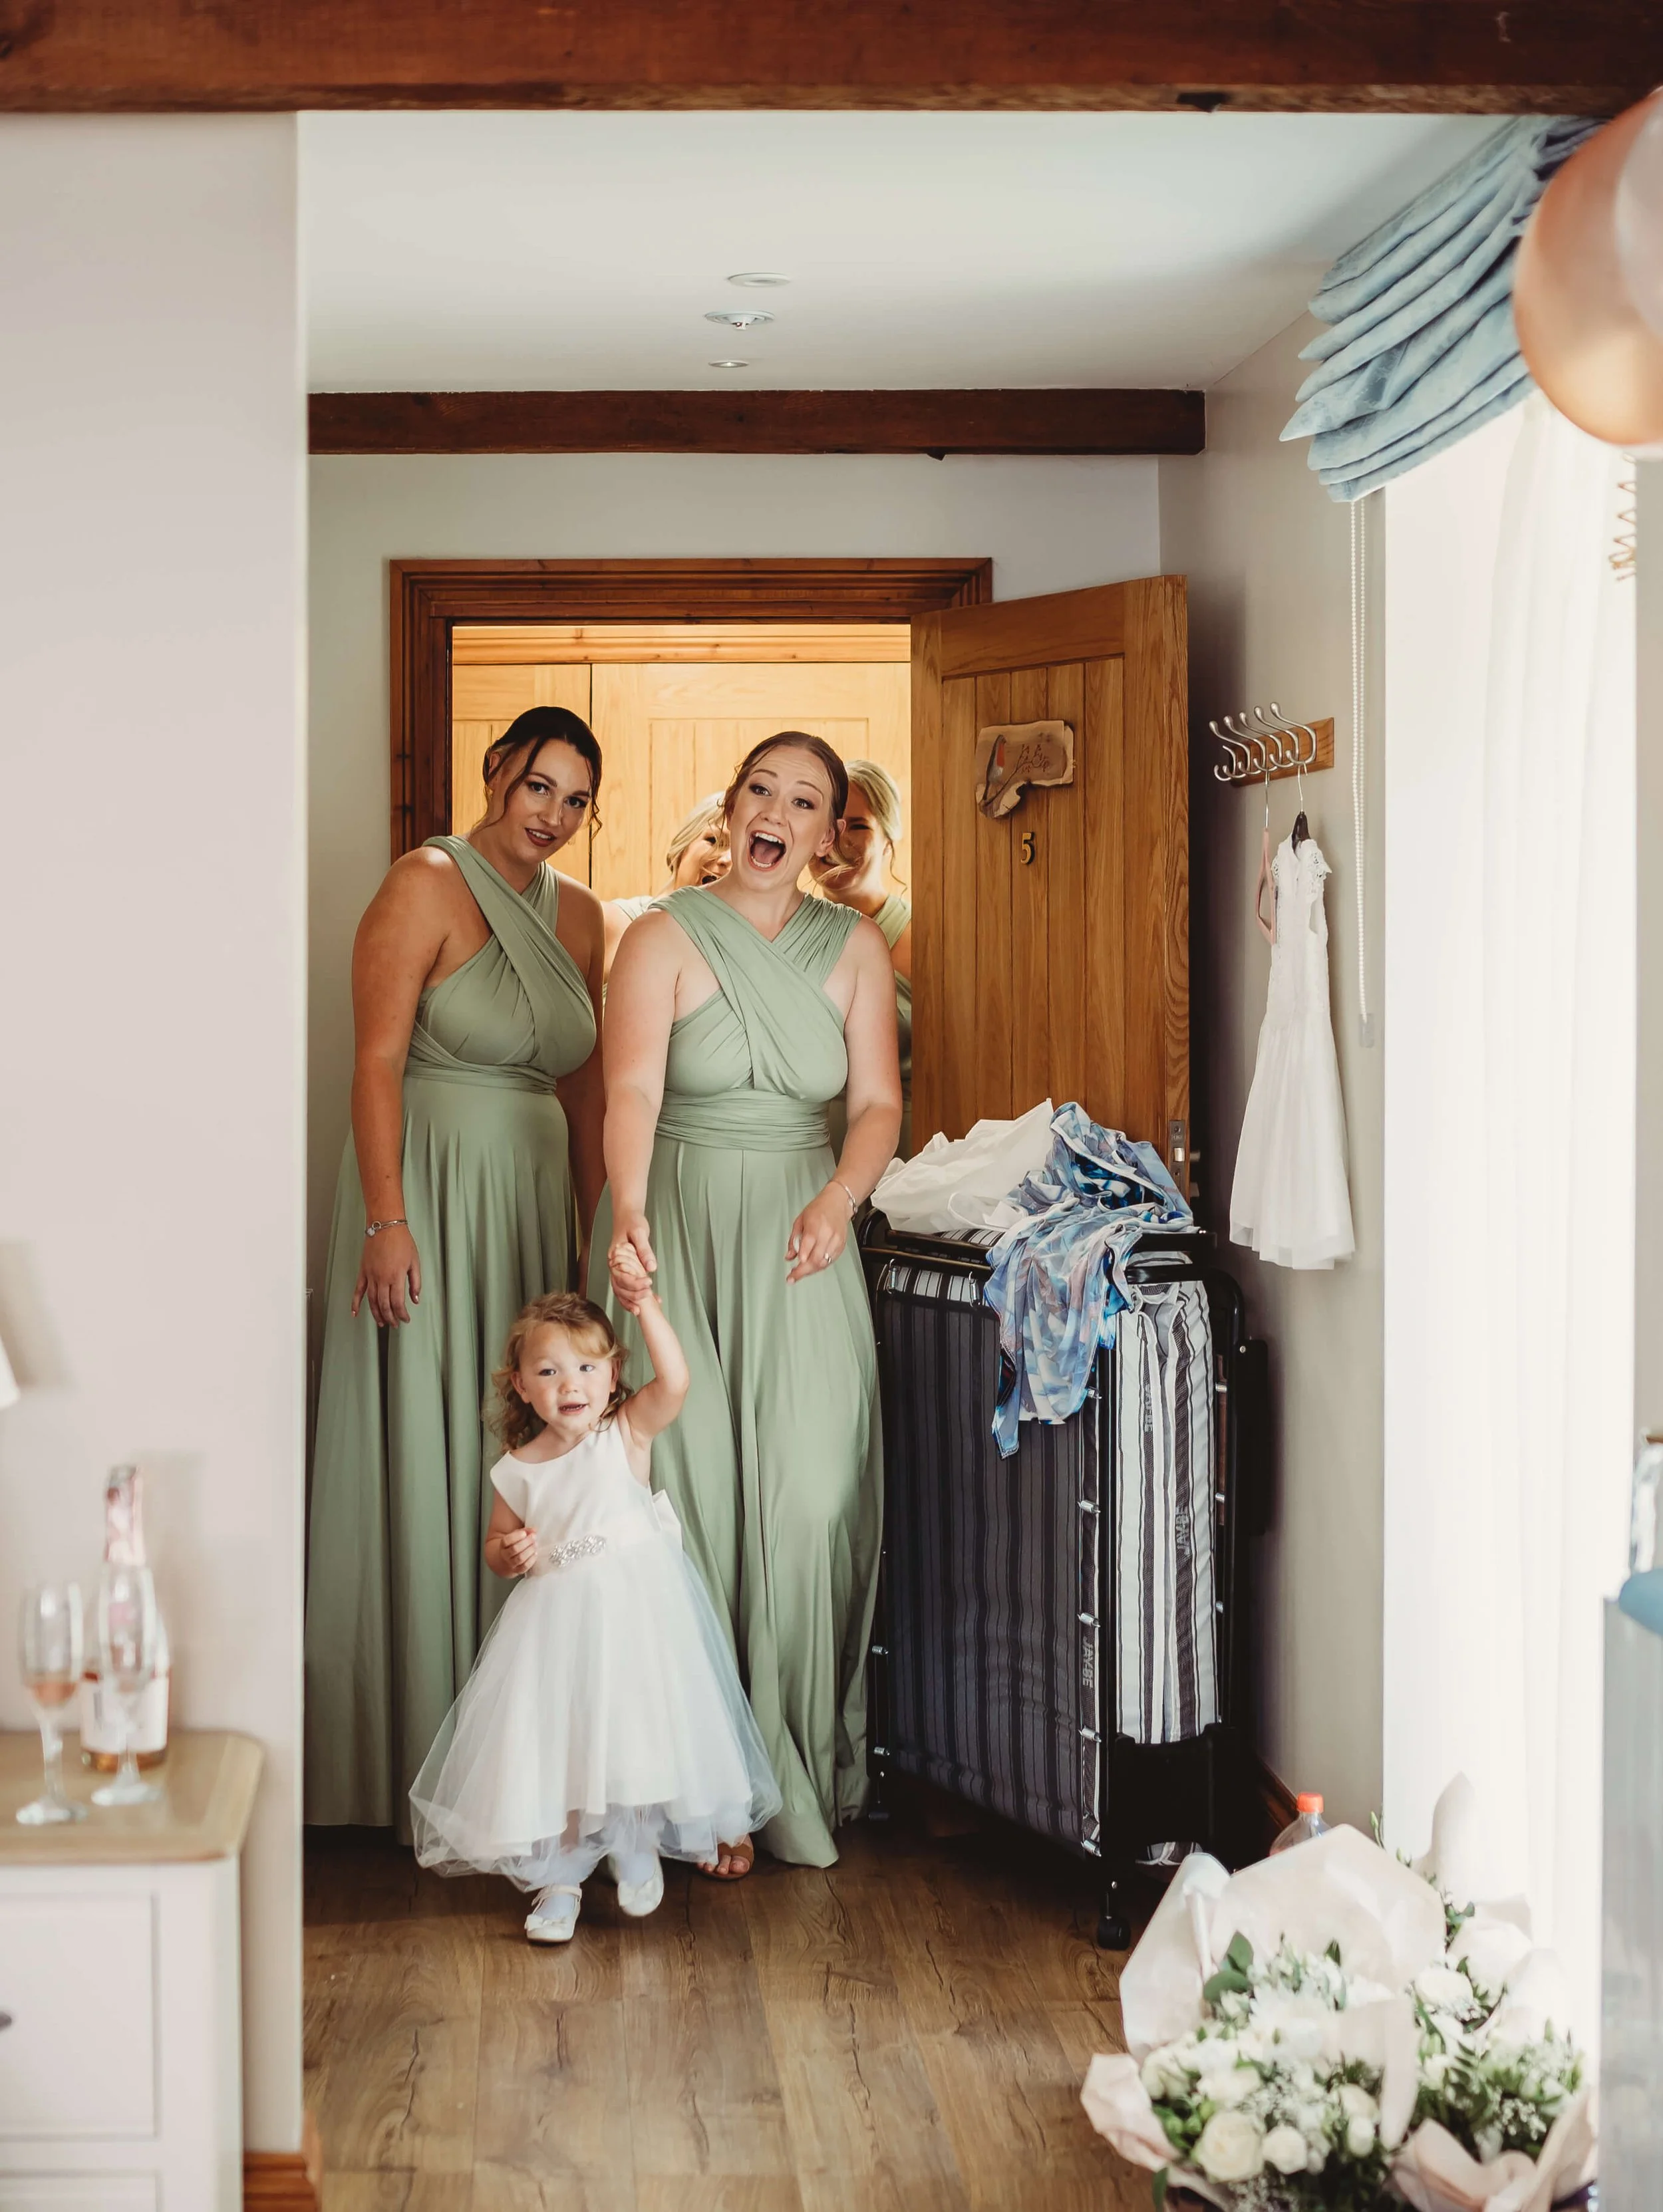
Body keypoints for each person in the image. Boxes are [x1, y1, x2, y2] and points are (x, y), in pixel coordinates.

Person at [595, 732, 902, 1872]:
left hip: (803, 1233)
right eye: (761, 790)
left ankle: (795, 1762)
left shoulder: (855, 946)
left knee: (815, 1495)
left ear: (831, 834)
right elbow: (630, 1085)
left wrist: (842, 1195)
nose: (778, 813)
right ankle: (700, 1785)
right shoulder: (663, 937)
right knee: (693, 1502)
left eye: (806, 801)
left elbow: (876, 1102)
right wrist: (628, 1210)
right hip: (676, 1227)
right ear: (732, 808)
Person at [305, 706, 607, 1832]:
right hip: (426, 1190)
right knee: (439, 1429)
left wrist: (585, 1235)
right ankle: (414, 1742)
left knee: (529, 1440)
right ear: (493, 772)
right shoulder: (425, 881)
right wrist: (387, 1216)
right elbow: (372, 1062)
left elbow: (582, 1091)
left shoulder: (581, 917)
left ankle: (526, 1754)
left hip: (530, 1201)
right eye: (538, 786)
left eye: (575, 799)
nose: (554, 814)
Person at [408, 1288, 780, 1943]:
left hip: (638, 1616)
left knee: (635, 1731)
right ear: (521, 1385)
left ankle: (634, 1845)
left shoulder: (624, 1431)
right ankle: (558, 1880)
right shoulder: (515, 1469)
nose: (568, 1384)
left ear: (612, 1374)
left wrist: (647, 1305)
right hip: (554, 1624)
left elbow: (677, 1379)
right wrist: (509, 1551)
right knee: (561, 1745)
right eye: (548, 1371)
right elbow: (496, 1547)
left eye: (585, 1367)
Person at [811, 758, 914, 1160]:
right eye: (827, 825)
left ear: (889, 838)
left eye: (858, 826)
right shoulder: (781, 934)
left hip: (904, 1151)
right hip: (802, 1150)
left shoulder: (927, 940)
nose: (838, 841)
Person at [602, 791, 730, 982]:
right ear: (683, 845)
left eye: (739, 854)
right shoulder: (613, 922)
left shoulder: (733, 954)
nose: (726, 860)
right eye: (714, 840)